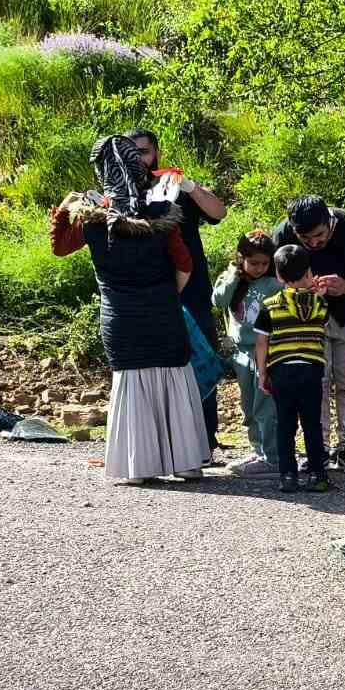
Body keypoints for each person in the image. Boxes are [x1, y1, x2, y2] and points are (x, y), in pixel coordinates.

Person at [50, 135, 207, 485]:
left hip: (120, 317)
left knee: (132, 382)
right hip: (164, 313)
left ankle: (138, 467)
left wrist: (63, 208)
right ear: (138, 167)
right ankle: (185, 463)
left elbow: (59, 247)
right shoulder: (162, 213)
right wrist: (168, 295)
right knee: (173, 378)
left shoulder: (92, 219)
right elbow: (184, 264)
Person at [128, 127, 228, 462]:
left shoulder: (175, 187)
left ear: (156, 151)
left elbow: (218, 212)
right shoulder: (125, 194)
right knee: (155, 370)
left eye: (144, 151)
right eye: (132, 151)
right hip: (149, 295)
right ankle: (163, 446)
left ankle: (205, 444)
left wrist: (188, 185)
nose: (140, 157)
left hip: (193, 292)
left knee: (201, 364)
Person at [272, 195, 345, 470]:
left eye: (319, 235)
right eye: (306, 239)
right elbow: (278, 281)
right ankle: (319, 448)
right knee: (317, 383)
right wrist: (304, 291)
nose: (315, 243)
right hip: (309, 319)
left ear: (329, 221)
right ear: (294, 232)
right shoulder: (282, 234)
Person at [254, 245, 332, 494]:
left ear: (278, 276)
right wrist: (317, 294)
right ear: (309, 272)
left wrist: (263, 373)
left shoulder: (270, 305)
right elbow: (323, 322)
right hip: (311, 371)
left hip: (282, 372)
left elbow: (262, 342)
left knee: (285, 425)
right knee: (312, 424)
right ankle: (318, 475)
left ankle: (288, 476)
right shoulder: (320, 305)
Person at [211, 230, 283, 478]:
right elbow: (218, 301)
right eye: (253, 263)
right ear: (241, 259)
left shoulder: (274, 285)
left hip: (266, 352)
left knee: (266, 405)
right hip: (241, 353)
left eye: (265, 263)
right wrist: (233, 274)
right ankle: (257, 449)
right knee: (248, 405)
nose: (260, 268)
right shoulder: (232, 280)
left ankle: (272, 457)